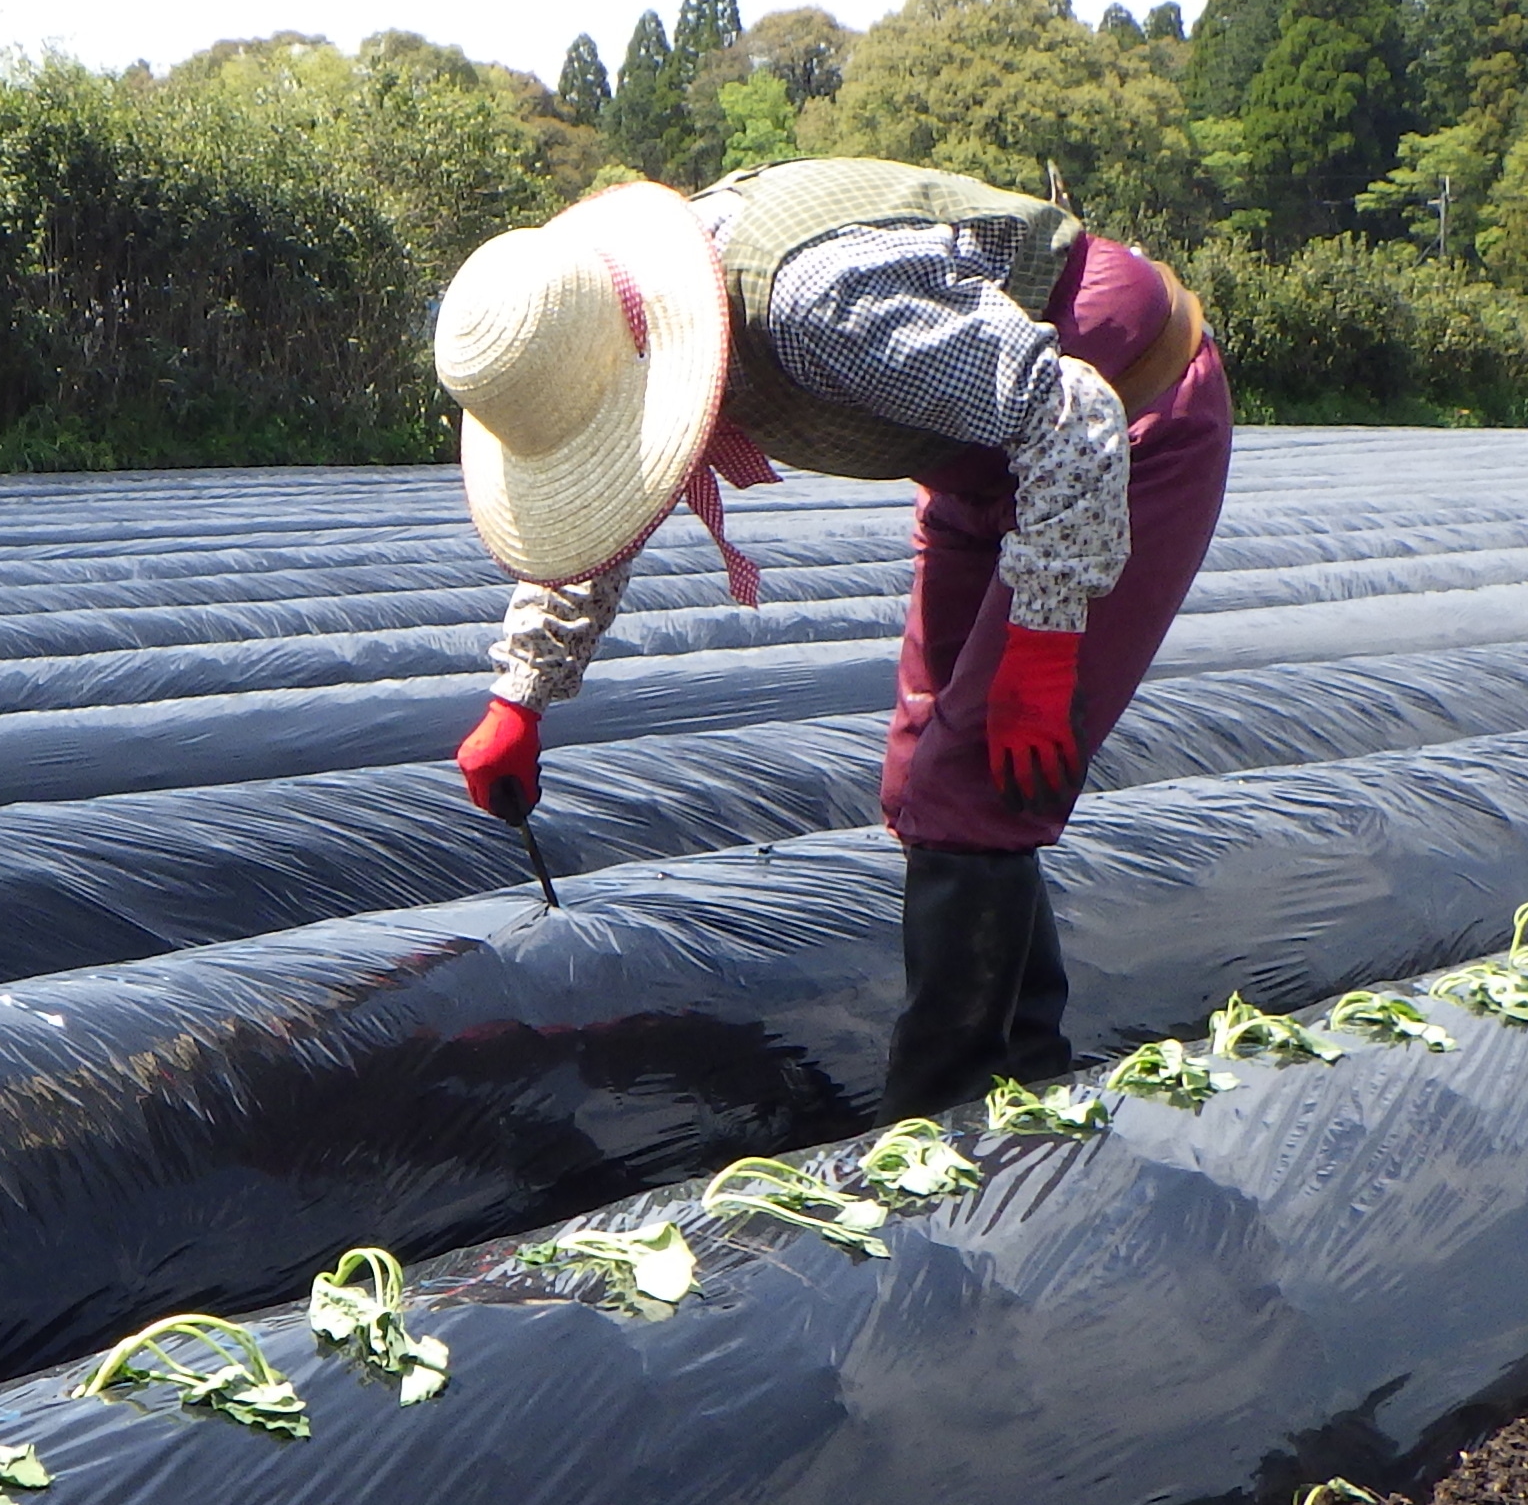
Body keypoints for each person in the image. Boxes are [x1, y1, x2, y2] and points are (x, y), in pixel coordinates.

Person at [426, 163, 1230, 1116]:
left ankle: (948, 1123)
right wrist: (523, 690)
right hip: (987, 461)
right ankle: (1023, 1075)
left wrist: (1043, 647)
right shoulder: (623, 324)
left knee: (972, 779)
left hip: (1119, 429)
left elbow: (1072, 417)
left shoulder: (818, 306)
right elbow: (621, 497)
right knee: (926, 776)